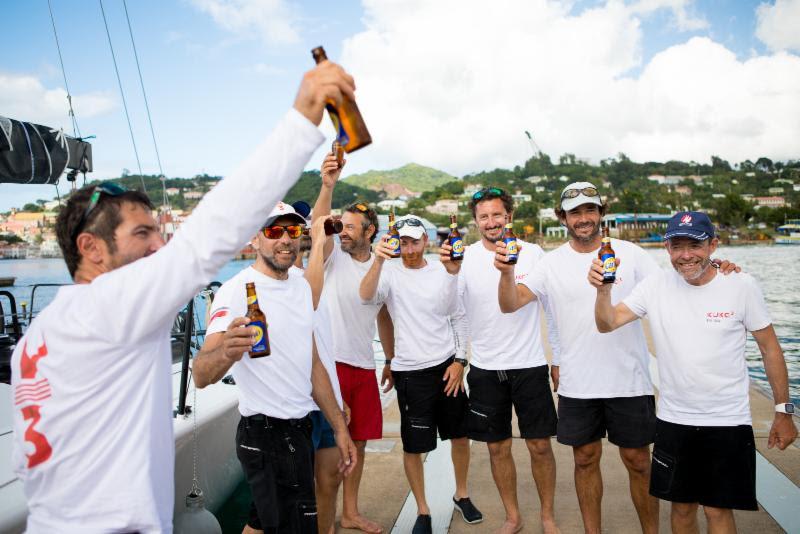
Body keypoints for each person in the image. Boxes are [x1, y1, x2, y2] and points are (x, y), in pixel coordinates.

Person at [9, 60, 353, 533]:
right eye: (143, 234)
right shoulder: (112, 309)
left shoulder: (38, 337)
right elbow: (211, 233)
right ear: (90, 248)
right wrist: (304, 115)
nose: (159, 246)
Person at [590, 211, 798, 533]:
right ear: (667, 248)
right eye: (677, 246)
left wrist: (783, 411)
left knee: (717, 512)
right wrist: (603, 291)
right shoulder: (655, 285)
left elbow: (770, 348)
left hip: (727, 420)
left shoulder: (740, 285)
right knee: (682, 510)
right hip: (675, 420)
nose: (686, 255)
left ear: (713, 245)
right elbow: (607, 323)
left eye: (695, 245)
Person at [192, 201, 357, 533]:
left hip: (300, 429)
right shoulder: (234, 292)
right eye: (274, 231)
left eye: (292, 231)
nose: (285, 239)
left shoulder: (300, 284)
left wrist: (339, 427)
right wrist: (226, 351)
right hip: (265, 433)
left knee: (263, 521)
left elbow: (312, 365)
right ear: (255, 239)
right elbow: (200, 374)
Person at [359, 214, 482, 534]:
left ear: (426, 241)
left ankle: (462, 493)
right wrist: (378, 260)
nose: (409, 248)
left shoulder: (445, 270)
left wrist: (460, 361)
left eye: (414, 241)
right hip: (410, 373)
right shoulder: (388, 272)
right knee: (415, 446)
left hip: (446, 367)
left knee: (459, 435)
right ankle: (423, 510)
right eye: (403, 241)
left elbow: (459, 317)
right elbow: (367, 297)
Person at [458, 187, 559, 534]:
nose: (491, 222)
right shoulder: (466, 258)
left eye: (497, 215)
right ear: (475, 222)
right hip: (485, 367)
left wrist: (556, 358)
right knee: (497, 447)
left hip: (529, 364)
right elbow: (454, 312)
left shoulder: (533, 254)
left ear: (509, 217)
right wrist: (459, 358)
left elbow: (551, 309)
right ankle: (512, 516)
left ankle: (547, 516)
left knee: (540, 446)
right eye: (483, 216)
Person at [311, 152, 395, 534]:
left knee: (358, 445)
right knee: (328, 451)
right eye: (340, 225)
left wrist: (390, 359)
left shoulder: (382, 267)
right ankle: (323, 519)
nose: (342, 231)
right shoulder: (332, 258)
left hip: (363, 366)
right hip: (329, 365)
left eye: (350, 227)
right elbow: (318, 226)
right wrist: (328, 185)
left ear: (369, 232)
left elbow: (381, 314)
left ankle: (351, 512)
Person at [294, 213, 348, 534]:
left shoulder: (317, 272)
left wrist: (338, 401)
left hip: (325, 398)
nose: (291, 236)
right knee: (297, 492)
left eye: (299, 228)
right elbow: (308, 299)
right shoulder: (284, 286)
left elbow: (324, 348)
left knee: (330, 479)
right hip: (297, 404)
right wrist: (326, 186)